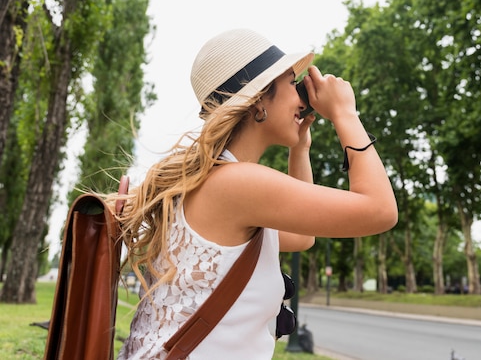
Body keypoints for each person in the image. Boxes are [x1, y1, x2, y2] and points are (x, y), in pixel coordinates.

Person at [116, 28, 398, 359]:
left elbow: (301, 236)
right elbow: (380, 210)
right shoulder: (238, 184)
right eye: (292, 83)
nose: (300, 96)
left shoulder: (212, 180)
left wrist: (300, 149)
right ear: (260, 99)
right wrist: (345, 114)